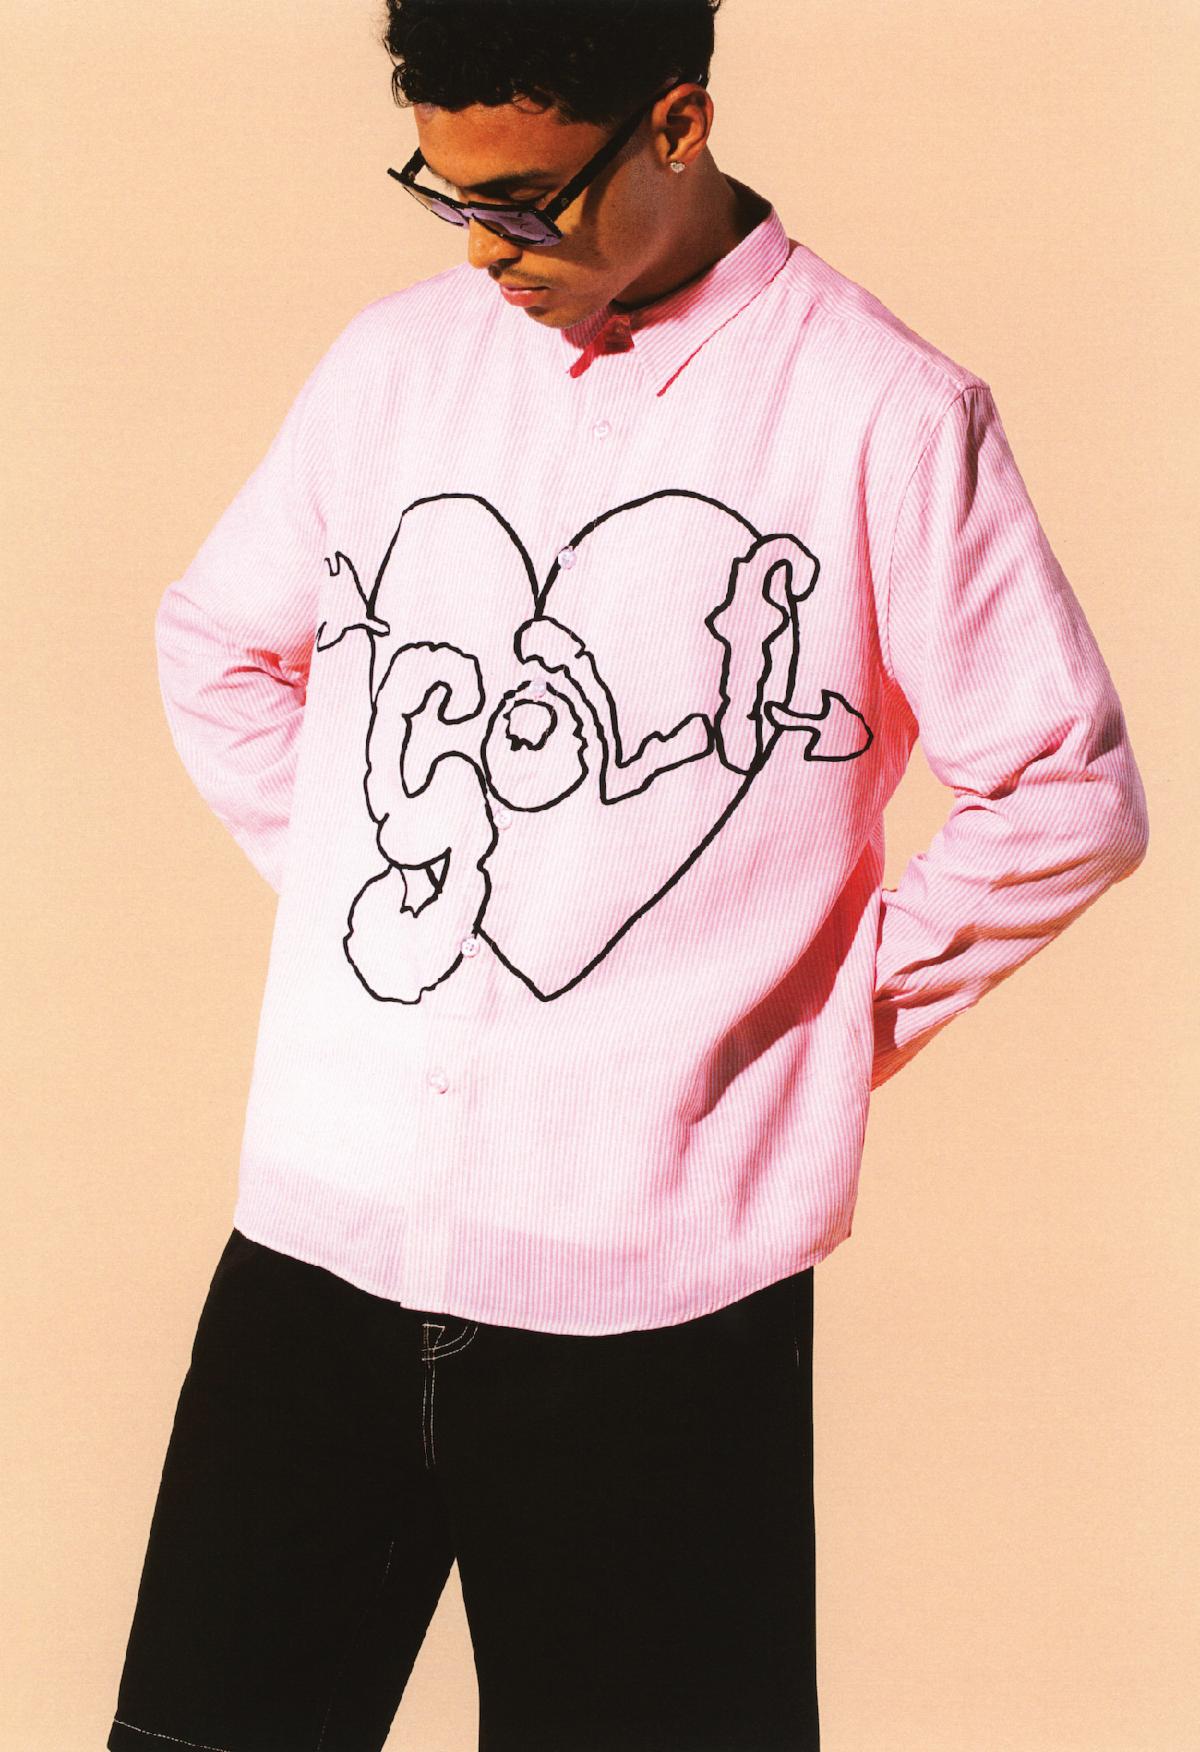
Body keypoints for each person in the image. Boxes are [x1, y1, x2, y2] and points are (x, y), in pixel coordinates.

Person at [106, 3, 1149, 1749]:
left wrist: (814, 1028)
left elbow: (1067, 792)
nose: (484, 250)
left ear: (677, 123)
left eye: (527, 204)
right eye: (447, 196)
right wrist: (385, 888)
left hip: (658, 1313)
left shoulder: (884, 416)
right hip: (316, 1249)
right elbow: (219, 641)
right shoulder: (394, 367)